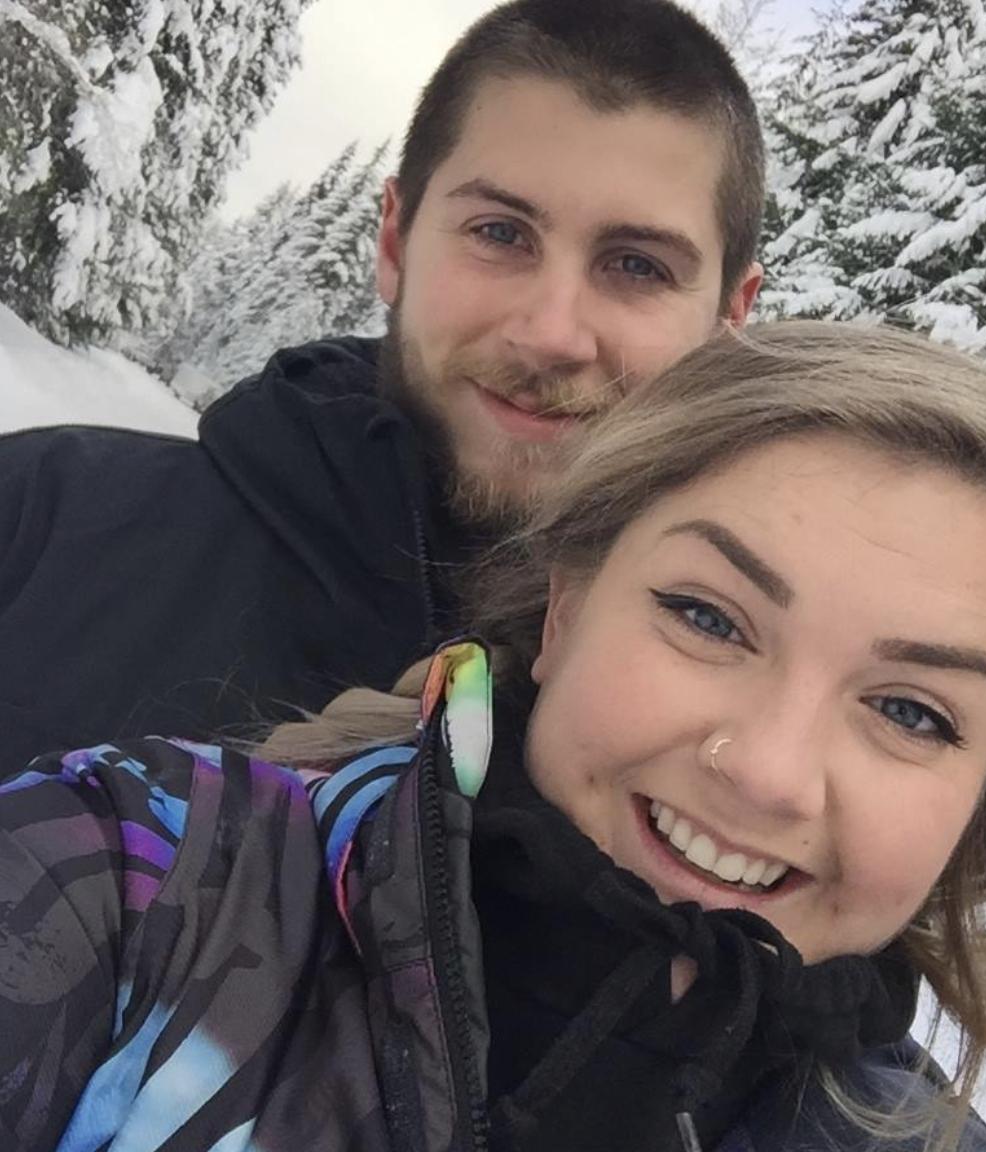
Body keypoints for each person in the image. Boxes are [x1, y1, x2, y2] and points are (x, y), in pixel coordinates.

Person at [4, 323, 986, 1152]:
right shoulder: (139, 882)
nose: (766, 771)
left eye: (910, 712)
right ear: (565, 611)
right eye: (708, 618)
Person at [0, 0, 764, 775]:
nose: (551, 334)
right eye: (499, 233)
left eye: (637, 266)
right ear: (395, 243)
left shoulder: (728, 766)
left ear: (728, 323)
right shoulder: (40, 521)